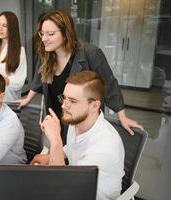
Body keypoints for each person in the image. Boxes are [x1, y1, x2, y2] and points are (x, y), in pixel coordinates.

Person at [14, 10, 142, 141]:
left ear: (65, 34)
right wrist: (27, 99)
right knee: (61, 149)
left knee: (79, 152)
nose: (44, 39)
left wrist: (122, 116)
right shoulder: (46, 54)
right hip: (58, 114)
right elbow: (38, 79)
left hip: (82, 118)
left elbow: (109, 85)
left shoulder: (91, 54)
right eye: (42, 33)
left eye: (50, 34)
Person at [31, 71, 125, 200]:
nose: (64, 105)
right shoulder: (76, 121)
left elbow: (62, 186)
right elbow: (72, 146)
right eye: (64, 98)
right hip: (75, 184)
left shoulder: (105, 147)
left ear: (94, 105)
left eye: (73, 101)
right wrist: (50, 156)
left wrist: (55, 140)